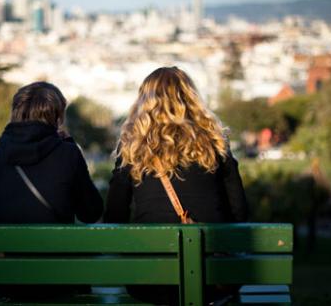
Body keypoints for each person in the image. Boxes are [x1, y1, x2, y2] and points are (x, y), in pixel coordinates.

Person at [104, 67, 248, 305]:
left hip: (149, 282)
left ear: (144, 102)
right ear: (191, 97)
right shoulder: (216, 143)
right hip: (213, 280)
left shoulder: (131, 147)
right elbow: (240, 212)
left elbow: (113, 217)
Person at [0, 81, 103, 300]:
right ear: (58, 118)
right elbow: (91, 212)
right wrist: (69, 143)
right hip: (58, 283)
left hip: (6, 285)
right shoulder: (68, 155)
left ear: (15, 114)